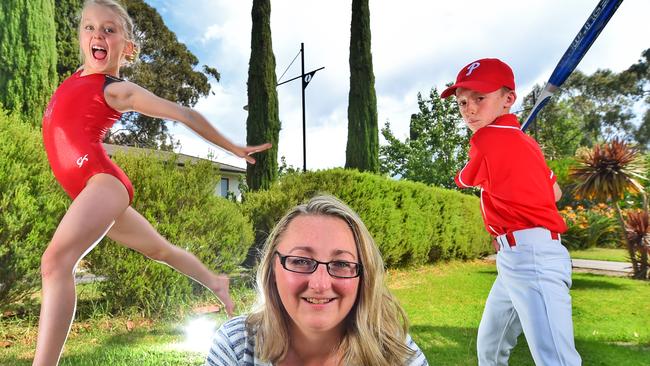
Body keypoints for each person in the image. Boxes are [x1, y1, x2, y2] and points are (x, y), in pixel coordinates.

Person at [34, 1, 271, 365]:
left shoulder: (116, 90)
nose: (98, 34)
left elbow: (184, 113)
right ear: (80, 36)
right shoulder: (75, 79)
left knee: (55, 262)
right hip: (88, 188)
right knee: (159, 250)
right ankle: (215, 280)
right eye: (89, 27)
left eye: (109, 30)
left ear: (126, 47)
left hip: (101, 183)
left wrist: (234, 147)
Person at [440, 58, 581, 365]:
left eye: (480, 98)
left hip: (532, 258)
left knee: (556, 359)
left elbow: (464, 179)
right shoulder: (527, 145)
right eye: (462, 101)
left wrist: (495, 157)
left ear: (508, 100)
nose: (469, 109)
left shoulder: (487, 139)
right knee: (491, 349)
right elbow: (554, 193)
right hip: (514, 259)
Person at [205, 195, 429, 366]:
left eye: (341, 264)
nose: (320, 284)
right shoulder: (238, 345)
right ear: (273, 269)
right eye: (301, 261)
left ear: (364, 277)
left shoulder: (395, 353)